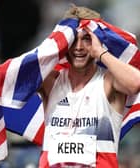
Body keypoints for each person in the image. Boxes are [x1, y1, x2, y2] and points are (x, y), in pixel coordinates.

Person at [37, 5, 140, 168]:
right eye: (73, 40)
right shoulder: (51, 81)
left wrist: (100, 52)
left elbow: (136, 82)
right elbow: (20, 75)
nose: (78, 47)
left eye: (86, 38)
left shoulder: (108, 81)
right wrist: (55, 45)